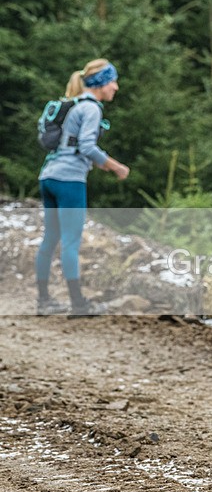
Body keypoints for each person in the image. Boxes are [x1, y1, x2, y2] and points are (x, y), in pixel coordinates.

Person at [35, 59, 129, 317]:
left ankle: (44, 301)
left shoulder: (74, 106)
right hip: (69, 180)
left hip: (49, 176)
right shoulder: (90, 109)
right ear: (100, 84)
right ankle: (78, 304)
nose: (116, 87)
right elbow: (87, 147)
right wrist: (115, 166)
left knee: (50, 239)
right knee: (71, 242)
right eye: (112, 81)